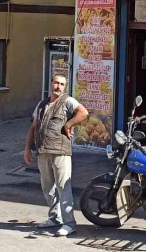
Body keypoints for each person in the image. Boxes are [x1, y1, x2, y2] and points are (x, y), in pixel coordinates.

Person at [24, 74, 88, 237]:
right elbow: (33, 127)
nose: (58, 86)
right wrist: (27, 149)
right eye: (56, 83)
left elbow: (83, 112)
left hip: (60, 152)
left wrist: (69, 124)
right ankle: (54, 218)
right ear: (51, 83)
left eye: (61, 84)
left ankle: (69, 223)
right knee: (48, 188)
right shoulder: (41, 104)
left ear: (65, 87)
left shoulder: (67, 101)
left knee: (63, 188)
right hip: (43, 151)